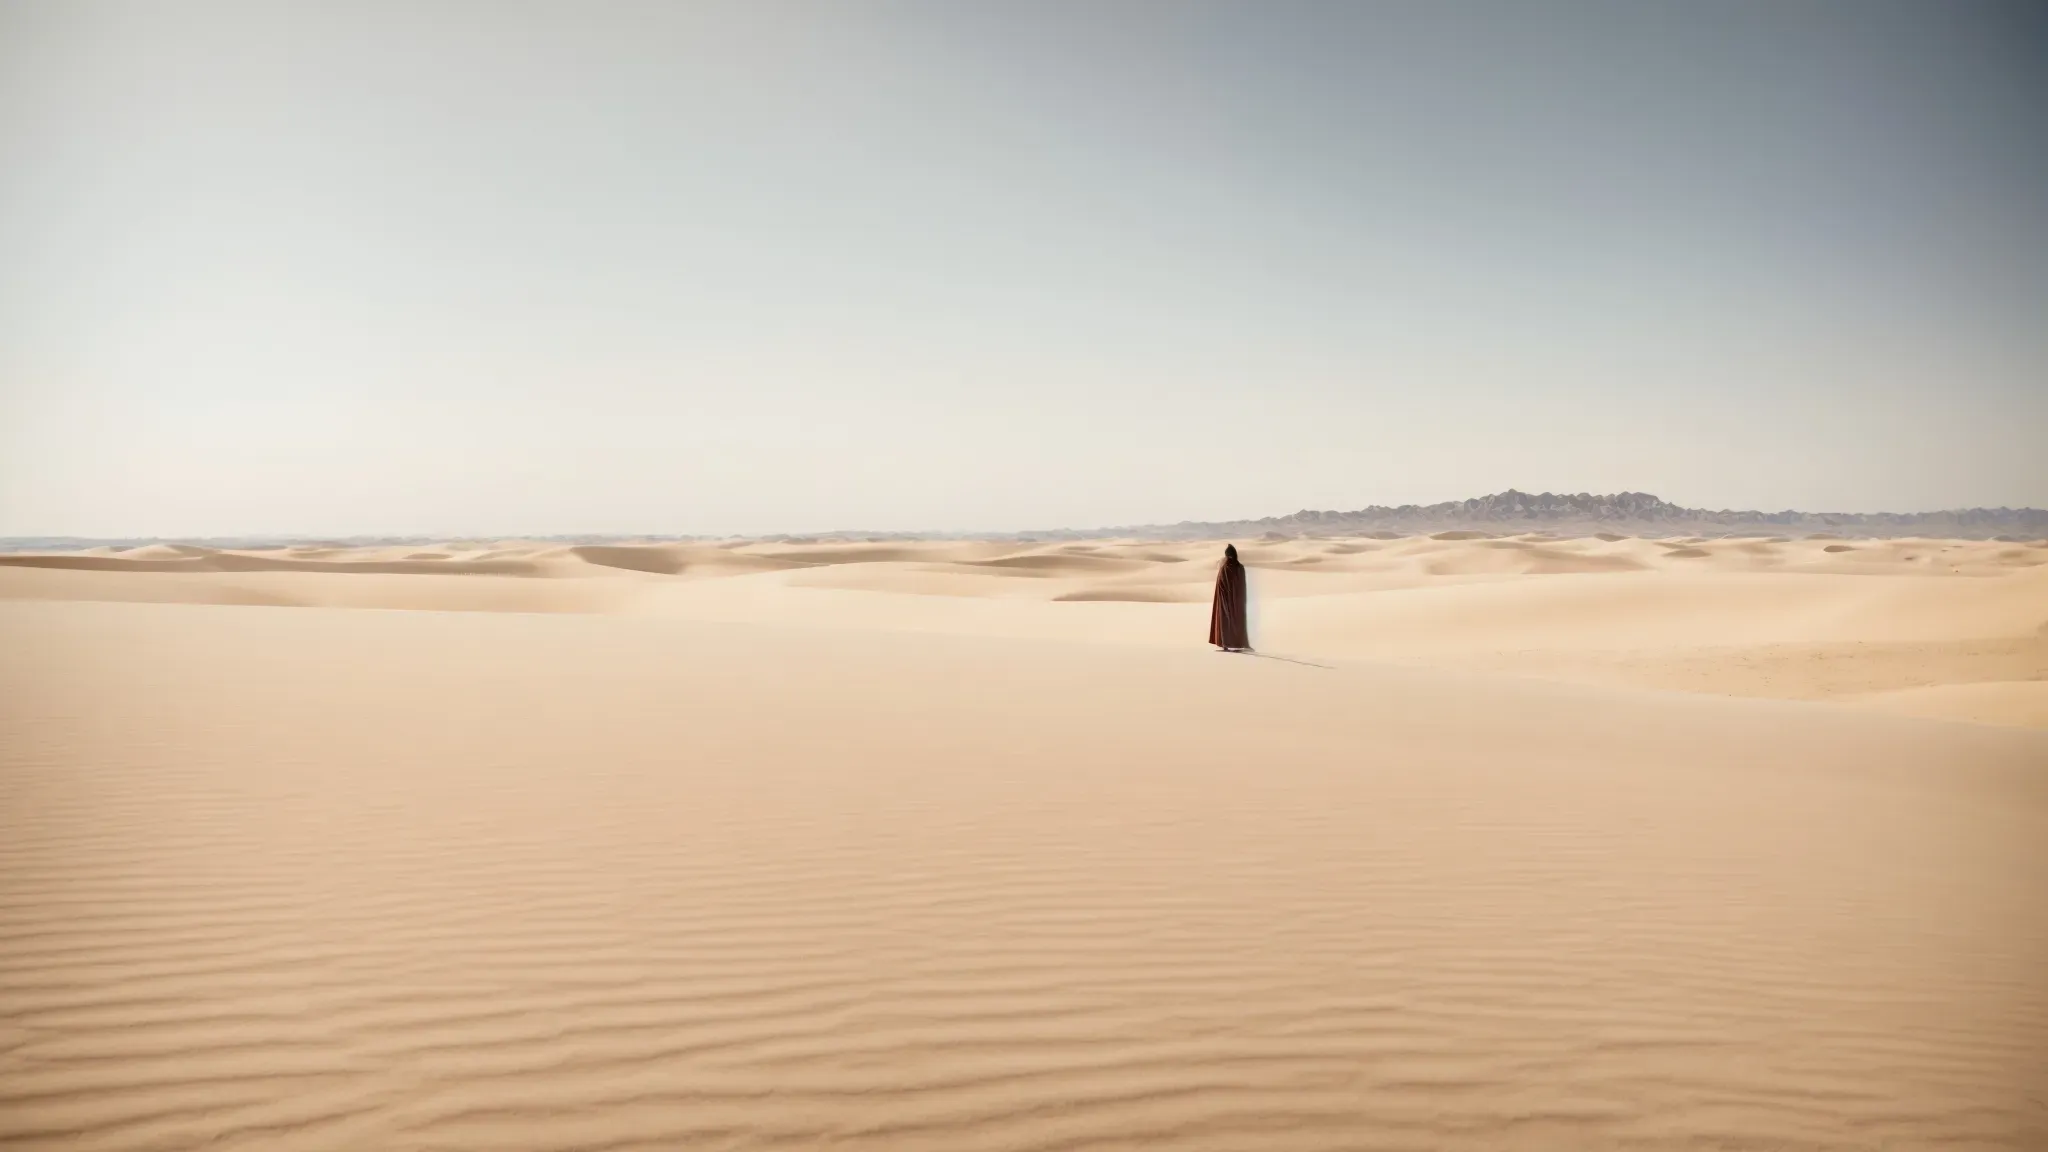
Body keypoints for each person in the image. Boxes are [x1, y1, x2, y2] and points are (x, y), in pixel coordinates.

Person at [1208, 544, 1250, 651]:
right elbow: (1241, 586)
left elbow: (1220, 586)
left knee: (1225, 621)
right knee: (1237, 620)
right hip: (1238, 602)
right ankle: (1237, 643)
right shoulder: (1240, 568)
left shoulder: (1225, 569)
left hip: (1225, 601)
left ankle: (1226, 644)